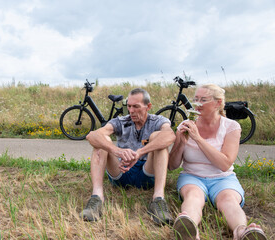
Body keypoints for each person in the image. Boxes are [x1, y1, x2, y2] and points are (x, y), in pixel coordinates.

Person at [169, 84, 267, 240]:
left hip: (223, 177)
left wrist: (198, 138)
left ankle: (242, 232)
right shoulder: (185, 125)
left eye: (203, 100)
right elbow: (172, 166)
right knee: (194, 197)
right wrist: (180, 142)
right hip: (192, 176)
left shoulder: (231, 126)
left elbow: (225, 164)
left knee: (228, 200)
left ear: (218, 103)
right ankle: (189, 231)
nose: (197, 104)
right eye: (196, 99)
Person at [79, 88, 176, 225]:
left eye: (136, 106)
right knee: (102, 140)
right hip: (121, 170)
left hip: (146, 171)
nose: (131, 111)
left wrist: (140, 153)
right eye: (129, 106)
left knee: (158, 138)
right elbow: (92, 136)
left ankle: (158, 199)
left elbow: (170, 135)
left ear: (148, 106)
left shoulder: (157, 121)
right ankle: (96, 198)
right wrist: (117, 151)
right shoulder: (120, 121)